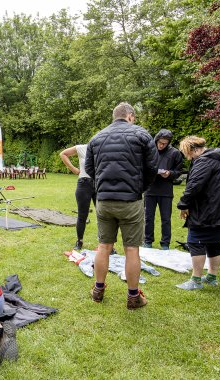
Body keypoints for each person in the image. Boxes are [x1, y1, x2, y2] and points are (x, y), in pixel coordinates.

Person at [85, 102, 158, 309]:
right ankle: (133, 296)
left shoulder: (96, 137)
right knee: (132, 249)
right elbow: (152, 167)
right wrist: (139, 187)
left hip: (104, 201)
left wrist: (102, 186)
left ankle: (98, 290)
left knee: (104, 246)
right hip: (130, 201)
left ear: (114, 116)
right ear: (131, 116)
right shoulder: (142, 135)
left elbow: (90, 168)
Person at [175, 136, 220, 290]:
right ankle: (211, 277)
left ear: (192, 150)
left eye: (186, 153)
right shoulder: (217, 159)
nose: (186, 157)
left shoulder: (204, 162)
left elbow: (194, 186)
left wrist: (183, 205)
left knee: (195, 241)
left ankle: (196, 281)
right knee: (213, 242)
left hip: (209, 211)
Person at [143, 129, 183, 250]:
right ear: (156, 140)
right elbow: (141, 167)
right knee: (148, 218)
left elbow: (179, 171)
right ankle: (148, 241)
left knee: (166, 219)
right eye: (160, 142)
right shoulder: (149, 151)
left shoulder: (175, 153)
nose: (161, 145)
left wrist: (169, 173)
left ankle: (165, 243)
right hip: (150, 189)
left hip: (166, 191)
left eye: (164, 143)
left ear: (168, 143)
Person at [59, 144, 96, 250]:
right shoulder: (82, 148)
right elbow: (63, 154)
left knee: (103, 216)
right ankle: (79, 241)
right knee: (82, 215)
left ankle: (107, 245)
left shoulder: (104, 149)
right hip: (84, 183)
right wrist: (74, 169)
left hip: (99, 184)